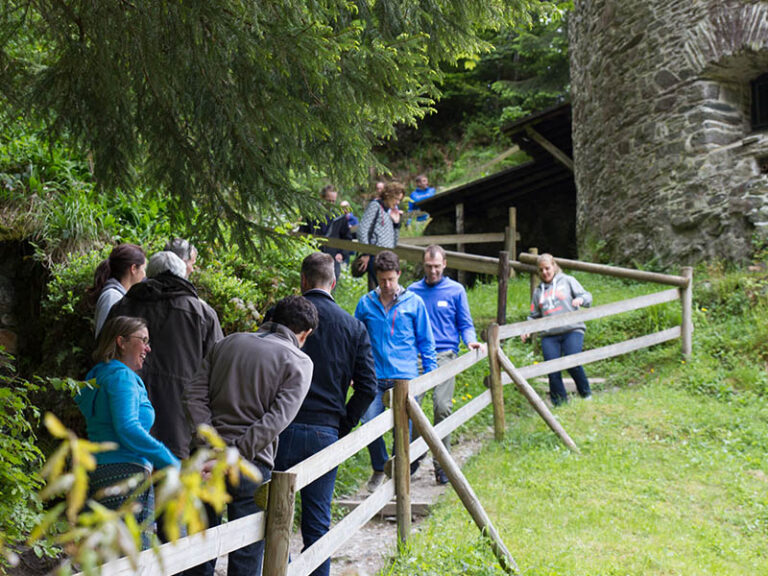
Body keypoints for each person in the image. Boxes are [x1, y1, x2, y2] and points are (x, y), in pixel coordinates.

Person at [183, 295, 317, 576]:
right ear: (304, 334)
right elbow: (275, 420)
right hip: (251, 466)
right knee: (246, 557)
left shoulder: (226, 343)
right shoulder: (299, 362)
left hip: (204, 460)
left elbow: (193, 395)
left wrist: (212, 446)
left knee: (197, 550)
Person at [274, 253, 376, 576]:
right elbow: (368, 386)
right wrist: (342, 424)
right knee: (317, 522)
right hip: (325, 431)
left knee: (274, 518)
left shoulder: (280, 315)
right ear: (333, 282)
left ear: (303, 280)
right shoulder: (353, 326)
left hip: (280, 427)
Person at [108, 251, 223, 461]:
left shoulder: (123, 307)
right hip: (180, 423)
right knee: (173, 487)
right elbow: (218, 374)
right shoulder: (202, 314)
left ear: (148, 274)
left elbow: (105, 357)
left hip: (126, 415)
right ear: (182, 276)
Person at [75, 316, 180, 546]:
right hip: (127, 475)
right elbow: (128, 427)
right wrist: (170, 461)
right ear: (121, 342)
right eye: (143, 340)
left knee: (108, 555)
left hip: (98, 473)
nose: (148, 348)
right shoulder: (122, 376)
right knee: (133, 554)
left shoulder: (96, 377)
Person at [354, 251, 437, 492]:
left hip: (406, 377)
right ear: (376, 278)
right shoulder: (365, 304)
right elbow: (355, 341)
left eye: (391, 279)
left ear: (398, 275)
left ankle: (399, 474)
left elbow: (426, 341)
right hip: (374, 376)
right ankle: (380, 467)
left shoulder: (414, 303)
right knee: (368, 421)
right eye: (382, 280)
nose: (388, 285)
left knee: (404, 430)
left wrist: (430, 375)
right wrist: (353, 371)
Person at [408, 245, 483, 485]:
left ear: (445, 264)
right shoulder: (412, 291)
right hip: (418, 356)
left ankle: (442, 464)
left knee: (442, 407)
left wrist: (470, 341)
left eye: (437, 267)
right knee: (411, 409)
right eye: (429, 267)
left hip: (445, 354)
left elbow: (465, 323)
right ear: (423, 265)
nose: (432, 272)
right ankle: (413, 456)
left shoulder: (455, 290)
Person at [522, 253, 593, 405]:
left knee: (572, 361)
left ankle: (586, 394)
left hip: (572, 329)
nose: (545, 272)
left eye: (547, 268)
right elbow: (534, 315)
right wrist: (526, 329)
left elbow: (587, 297)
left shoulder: (568, 281)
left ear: (554, 266)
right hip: (549, 335)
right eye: (541, 270)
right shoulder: (538, 291)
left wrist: (581, 299)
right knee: (552, 368)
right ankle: (560, 404)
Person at [87, 243, 147, 337]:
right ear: (133, 269)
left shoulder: (120, 295)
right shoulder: (112, 297)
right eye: (144, 269)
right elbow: (105, 340)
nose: (144, 275)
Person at [357, 182, 405, 290]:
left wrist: (396, 224)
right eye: (396, 199)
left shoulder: (391, 211)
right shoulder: (375, 206)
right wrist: (366, 253)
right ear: (388, 195)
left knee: (388, 289)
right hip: (375, 255)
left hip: (388, 257)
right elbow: (362, 230)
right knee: (381, 289)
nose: (397, 202)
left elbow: (394, 241)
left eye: (399, 200)